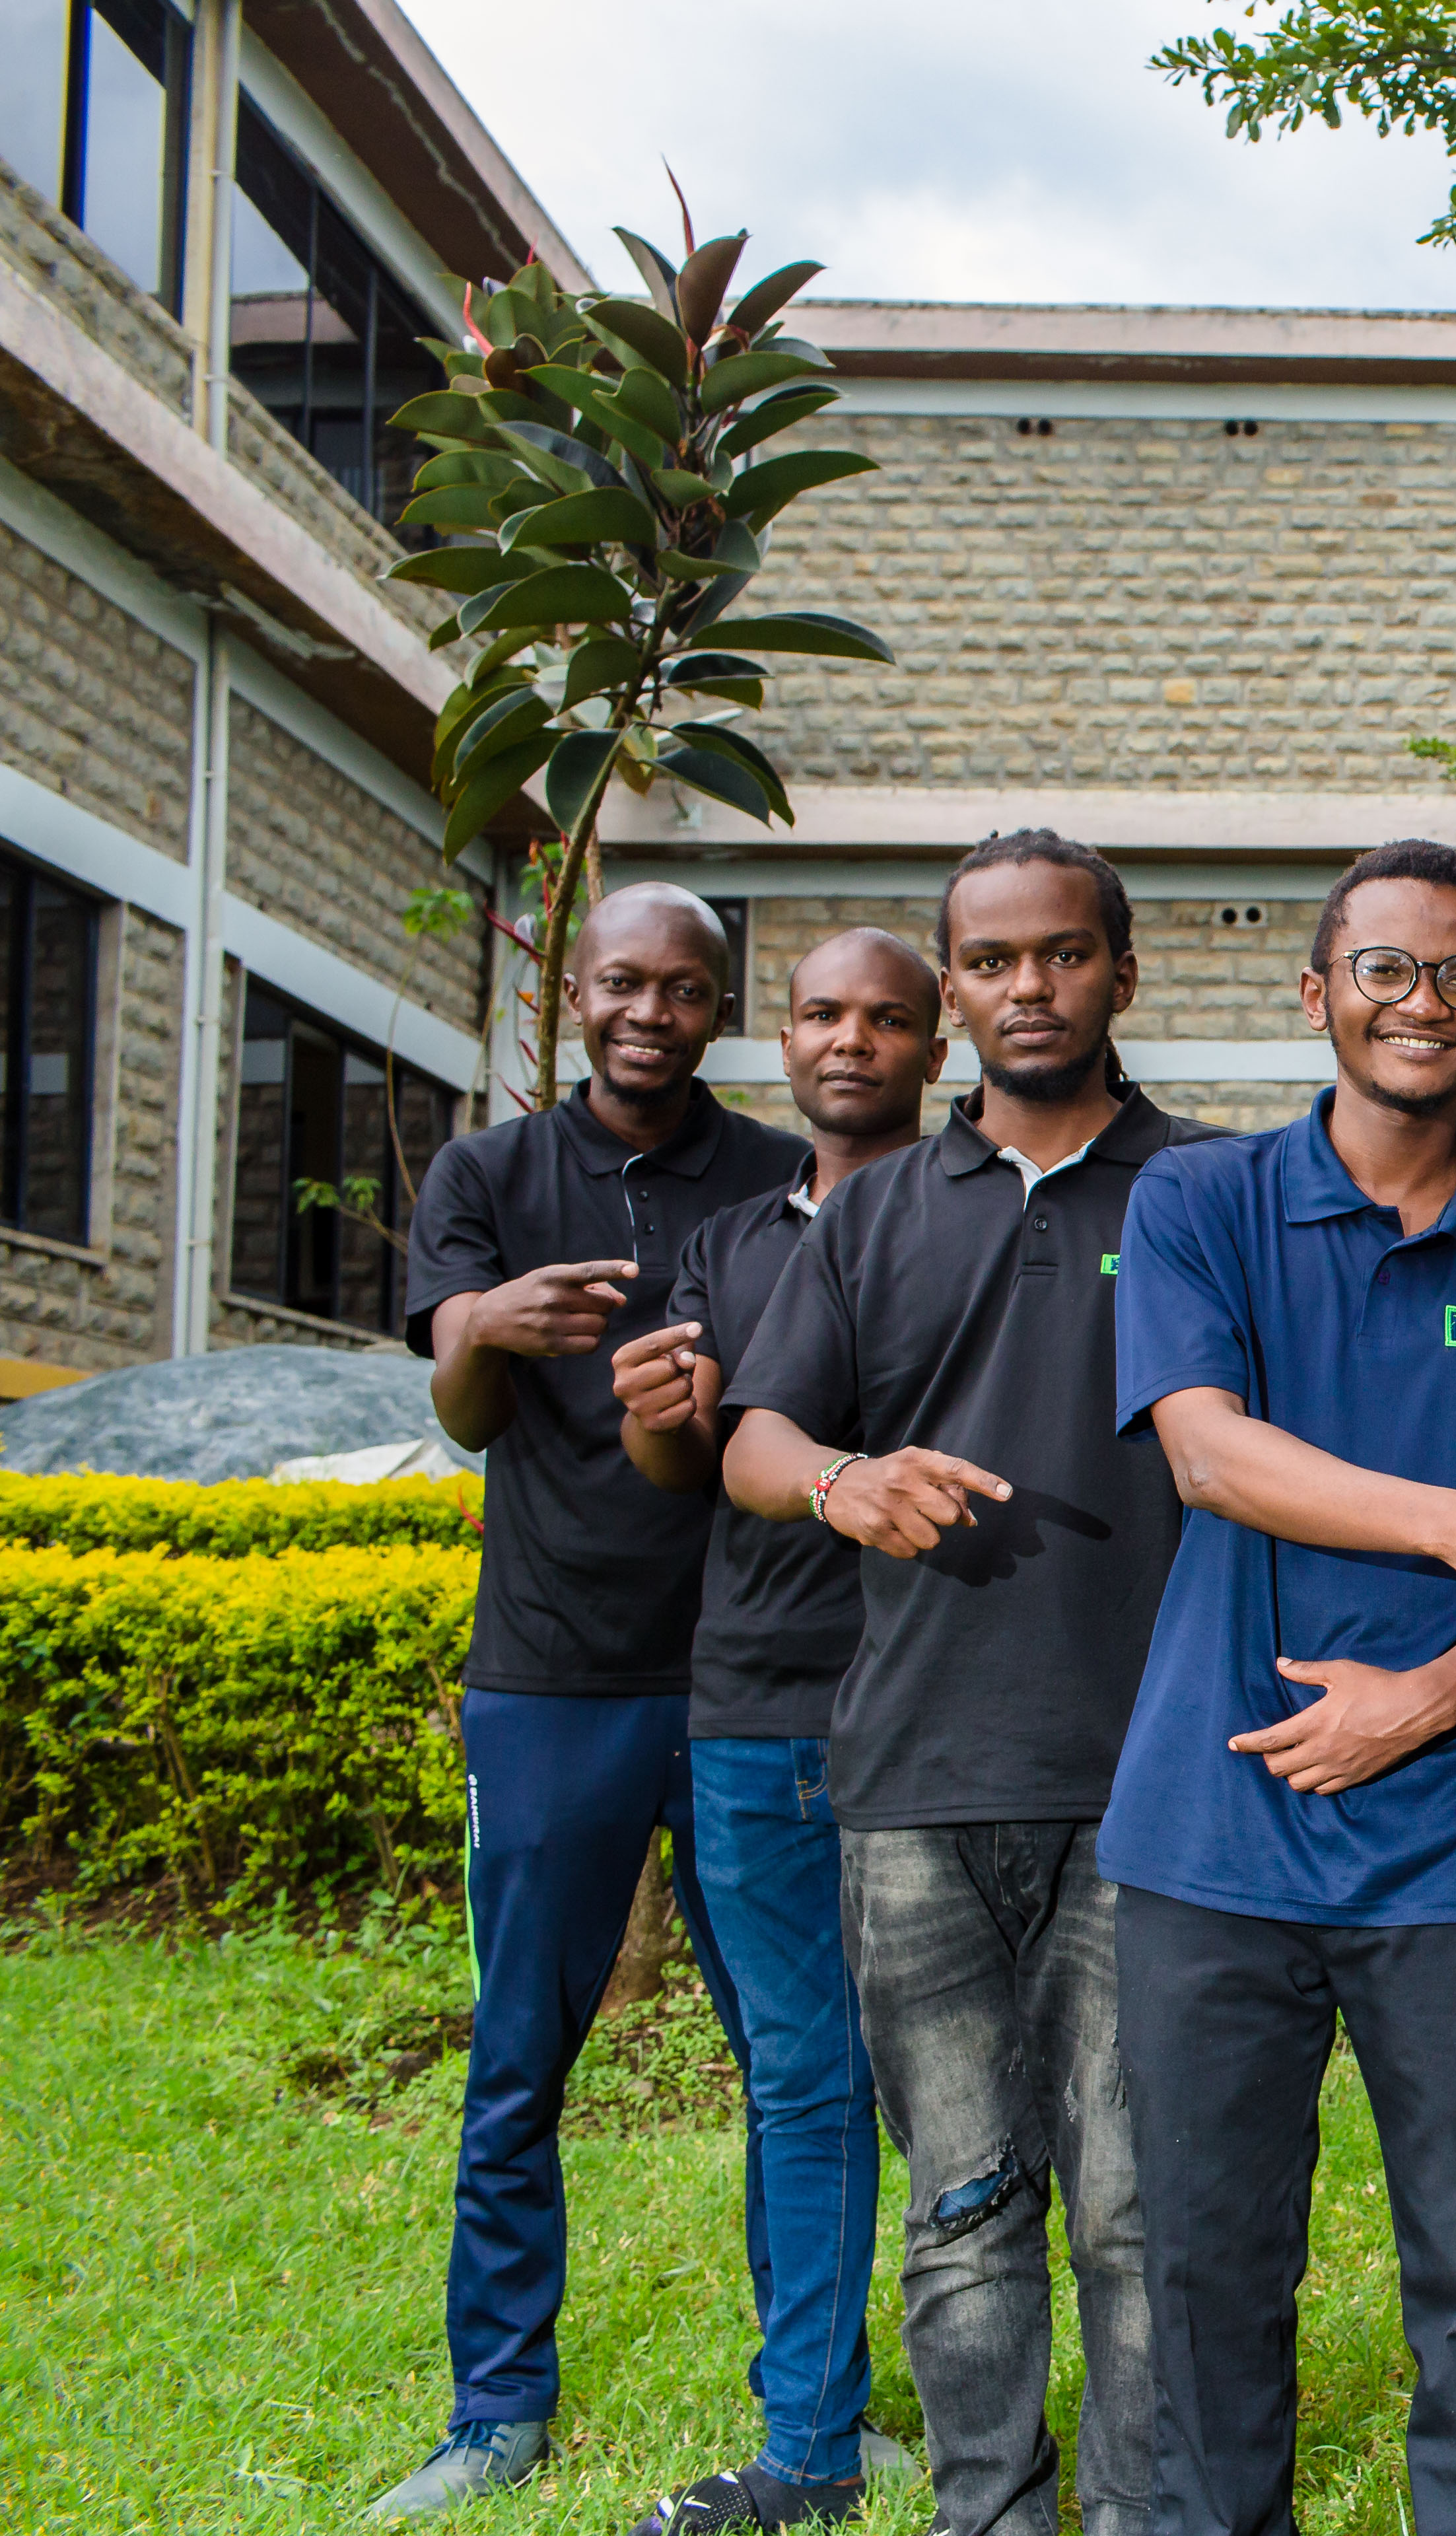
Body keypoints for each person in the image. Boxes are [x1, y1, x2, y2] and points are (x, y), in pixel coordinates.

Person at [1101, 839, 1456, 2536]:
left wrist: (1421, 1700)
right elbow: (1209, 1455)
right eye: (1389, 969)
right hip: (1212, 1839)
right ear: (1318, 995)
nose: (1428, 1003)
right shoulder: (1199, 1203)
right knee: (1207, 2273)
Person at [720, 833, 1225, 2536]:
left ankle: (1141, 2515)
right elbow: (758, 1436)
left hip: (1153, 1782)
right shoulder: (871, 1212)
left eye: (1063, 954)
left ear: (1122, 974)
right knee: (964, 2205)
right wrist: (839, 1479)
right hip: (916, 1783)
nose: (1030, 986)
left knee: (1136, 2212)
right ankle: (986, 2512)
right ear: (953, 991)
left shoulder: (1211, 1192)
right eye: (993, 961)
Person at [372, 887, 812, 2521]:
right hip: (552, 1672)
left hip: (752, 1674)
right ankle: (496, 2408)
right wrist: (486, 1326)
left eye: (685, 990)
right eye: (624, 983)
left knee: (796, 2058)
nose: (650, 1013)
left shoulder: (780, 1175)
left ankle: (811, 2408)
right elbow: (467, 1413)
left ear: (721, 1010)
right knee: (519, 2053)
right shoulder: (489, 1176)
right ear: (574, 992)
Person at [606, 928, 950, 2532]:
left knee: (967, 2091)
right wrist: (655, 1421)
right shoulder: (733, 1240)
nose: (852, 1041)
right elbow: (689, 1472)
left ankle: (986, 2411)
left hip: (939, 1706)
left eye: (888, 1017)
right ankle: (812, 2430)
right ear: (784, 1039)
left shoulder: (979, 1218)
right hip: (753, 1705)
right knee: (803, 2080)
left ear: (936, 1046)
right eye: (822, 1013)